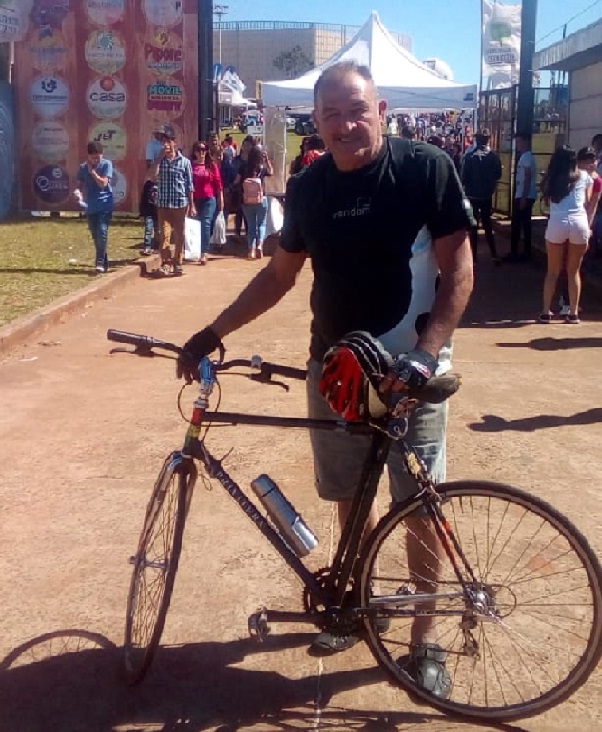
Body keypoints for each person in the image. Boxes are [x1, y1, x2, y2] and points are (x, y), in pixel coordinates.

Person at [177, 60, 474, 699]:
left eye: (357, 110)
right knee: (347, 498)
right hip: (336, 372)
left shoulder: (425, 168)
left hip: (409, 375)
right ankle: (360, 603)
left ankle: (427, 638)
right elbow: (279, 276)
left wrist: (425, 355)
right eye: (331, 115)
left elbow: (461, 271)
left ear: (382, 109)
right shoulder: (310, 187)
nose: (345, 124)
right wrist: (214, 330)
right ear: (316, 122)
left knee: (418, 509)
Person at [539, 145, 595, 324]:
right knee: (573, 271)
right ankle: (573, 313)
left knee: (553, 271)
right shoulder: (585, 176)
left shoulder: (550, 179)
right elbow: (586, 200)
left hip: (557, 221)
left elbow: (548, 201)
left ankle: (546, 312)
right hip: (579, 221)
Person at [147, 124, 195, 277]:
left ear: (174, 142)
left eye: (168, 141)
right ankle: (166, 262)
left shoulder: (185, 162)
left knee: (180, 235)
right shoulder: (159, 161)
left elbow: (189, 185)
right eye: (163, 141)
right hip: (163, 204)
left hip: (180, 204)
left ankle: (178, 262)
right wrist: (159, 158)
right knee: (164, 235)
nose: (165, 144)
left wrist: (192, 204)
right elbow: (152, 176)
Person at [459, 129, 503, 265]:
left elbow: (463, 177)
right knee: (488, 225)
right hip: (486, 195)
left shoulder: (469, 156)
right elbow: (498, 174)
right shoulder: (493, 157)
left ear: (476, 140)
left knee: (473, 226)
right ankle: (494, 254)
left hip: (472, 195)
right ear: (488, 140)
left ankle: (474, 257)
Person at [74, 141, 115, 273]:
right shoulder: (83, 167)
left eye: (98, 157)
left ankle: (99, 261)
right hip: (91, 205)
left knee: (102, 231)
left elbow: (103, 184)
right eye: (93, 157)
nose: (96, 160)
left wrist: (93, 173)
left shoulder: (107, 164)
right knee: (95, 234)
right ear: (88, 156)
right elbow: (79, 184)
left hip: (105, 204)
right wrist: (77, 192)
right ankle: (104, 260)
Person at [234, 144, 273, 259]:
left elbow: (236, 181)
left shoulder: (243, 167)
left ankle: (251, 250)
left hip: (246, 201)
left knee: (251, 226)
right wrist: (267, 160)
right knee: (261, 224)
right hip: (261, 199)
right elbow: (271, 172)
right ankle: (260, 245)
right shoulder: (262, 168)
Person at [190, 140, 224, 265]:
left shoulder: (211, 166)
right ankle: (195, 249)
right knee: (196, 225)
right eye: (199, 150)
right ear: (194, 152)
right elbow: (189, 185)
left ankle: (204, 252)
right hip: (195, 199)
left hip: (210, 199)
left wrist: (221, 199)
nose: (201, 153)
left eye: (204, 150)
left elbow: (218, 184)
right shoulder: (191, 166)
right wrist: (190, 203)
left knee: (206, 223)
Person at [509, 132, 538, 261]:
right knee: (522, 224)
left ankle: (519, 252)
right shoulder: (525, 157)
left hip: (524, 195)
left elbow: (527, 178)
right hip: (522, 194)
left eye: (519, 142)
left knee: (520, 224)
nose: (518, 145)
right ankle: (522, 251)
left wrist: (524, 197)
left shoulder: (526, 157)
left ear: (526, 142)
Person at [139, 177, 158, 256]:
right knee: (148, 230)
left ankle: (158, 247)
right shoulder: (147, 184)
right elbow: (143, 199)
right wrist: (142, 214)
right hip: (148, 212)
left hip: (159, 212)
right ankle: (147, 247)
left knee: (159, 231)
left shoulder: (163, 183)